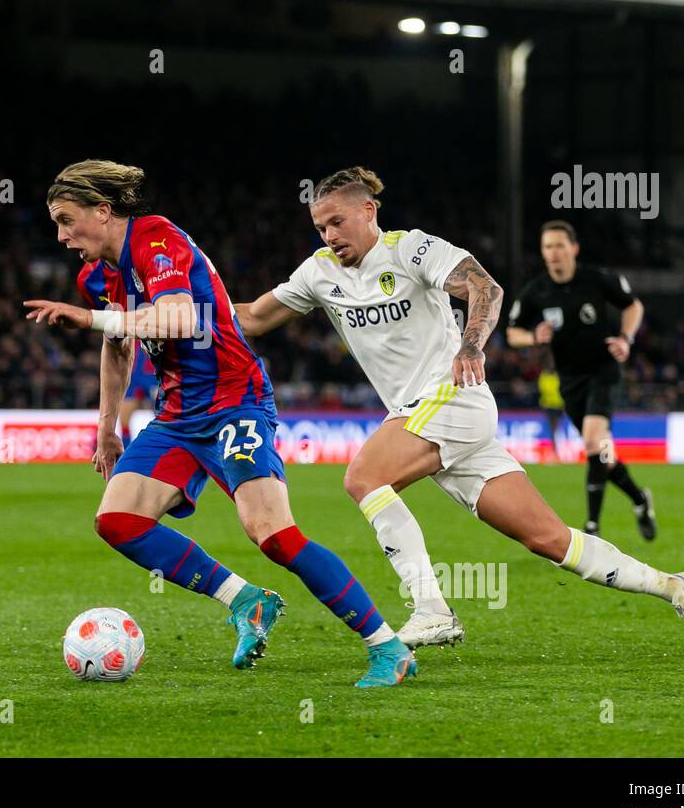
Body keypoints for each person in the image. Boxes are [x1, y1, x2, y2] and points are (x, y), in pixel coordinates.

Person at [234, 167, 684, 648]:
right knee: (550, 540)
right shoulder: (319, 273)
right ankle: (675, 587)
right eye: (320, 226)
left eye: (336, 222)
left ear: (369, 210)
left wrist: (471, 345)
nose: (328, 234)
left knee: (363, 477)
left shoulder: (410, 249)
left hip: (453, 396)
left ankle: (431, 611)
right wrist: (190, 304)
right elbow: (254, 317)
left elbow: (484, 287)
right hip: (424, 416)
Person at [25, 159, 416, 688]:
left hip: (235, 400)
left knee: (273, 535)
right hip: (177, 414)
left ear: (103, 210)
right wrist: (106, 425)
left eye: (68, 220)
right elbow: (117, 347)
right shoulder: (97, 275)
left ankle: (387, 648)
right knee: (118, 521)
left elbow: (180, 317)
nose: (62, 235)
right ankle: (246, 601)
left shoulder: (156, 239)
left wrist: (93, 318)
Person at [507, 221, 658, 540]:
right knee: (601, 452)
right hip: (569, 380)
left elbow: (633, 306)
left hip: (603, 371)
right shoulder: (537, 291)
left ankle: (592, 527)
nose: (554, 253)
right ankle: (640, 499)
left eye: (560, 245)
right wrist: (533, 336)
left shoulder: (597, 279)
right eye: (548, 246)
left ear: (574, 249)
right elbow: (512, 332)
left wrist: (626, 339)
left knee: (592, 441)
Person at [118, 340, 159, 449]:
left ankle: (164, 450)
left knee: (162, 416)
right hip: (133, 376)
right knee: (124, 419)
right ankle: (125, 452)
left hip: (153, 375)